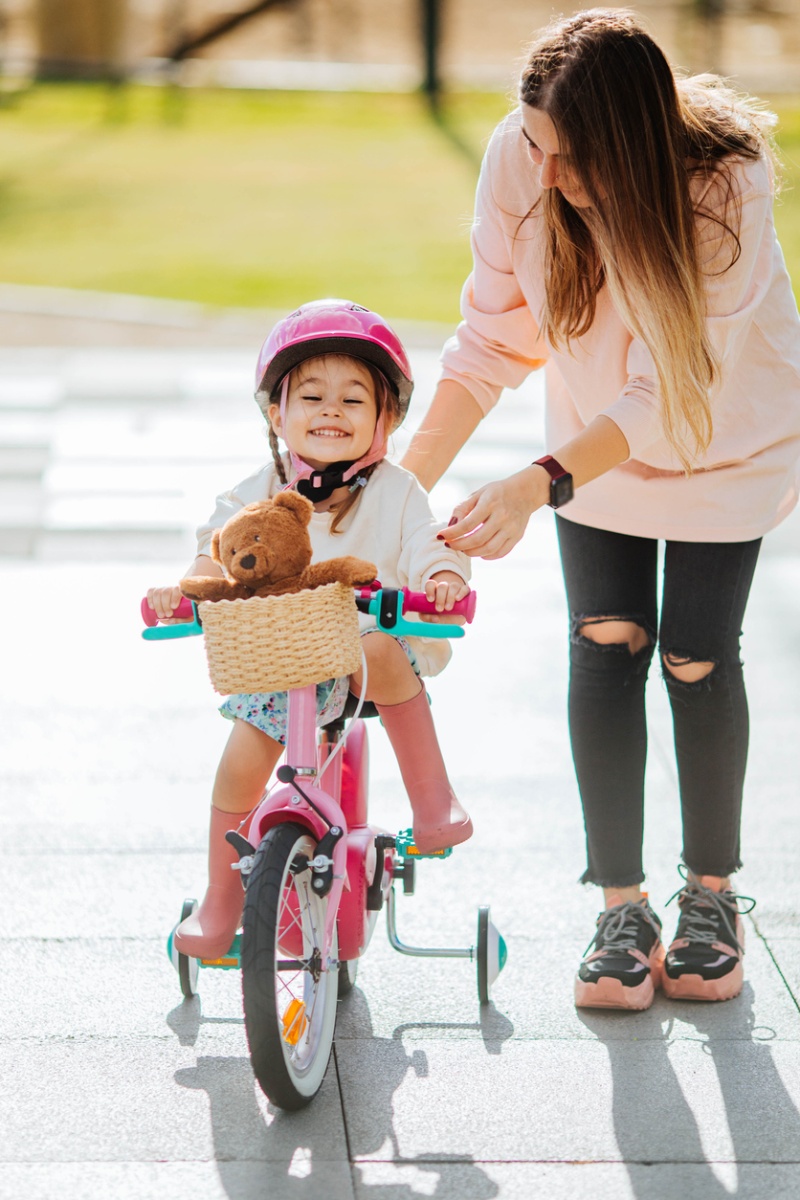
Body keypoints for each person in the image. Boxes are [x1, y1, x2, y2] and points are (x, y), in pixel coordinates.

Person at [401, 9, 800, 1010]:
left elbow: (670, 384)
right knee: (606, 639)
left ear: (628, 145)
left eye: (565, 153)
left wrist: (535, 483)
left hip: (723, 436)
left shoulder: (723, 183)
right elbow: (489, 339)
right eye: (531, 142)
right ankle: (618, 907)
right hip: (596, 446)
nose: (539, 171)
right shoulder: (522, 155)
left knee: (693, 656)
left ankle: (709, 897)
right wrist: (396, 492)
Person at [148, 299, 473, 960]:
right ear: (278, 413)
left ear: (386, 419)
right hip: (281, 657)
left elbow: (433, 543)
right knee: (240, 761)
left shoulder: (398, 490)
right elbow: (215, 549)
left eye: (354, 399)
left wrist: (444, 580)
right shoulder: (259, 489)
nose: (331, 410)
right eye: (314, 396)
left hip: (366, 659)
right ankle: (220, 900)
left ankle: (434, 804)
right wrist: (180, 590)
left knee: (377, 645)